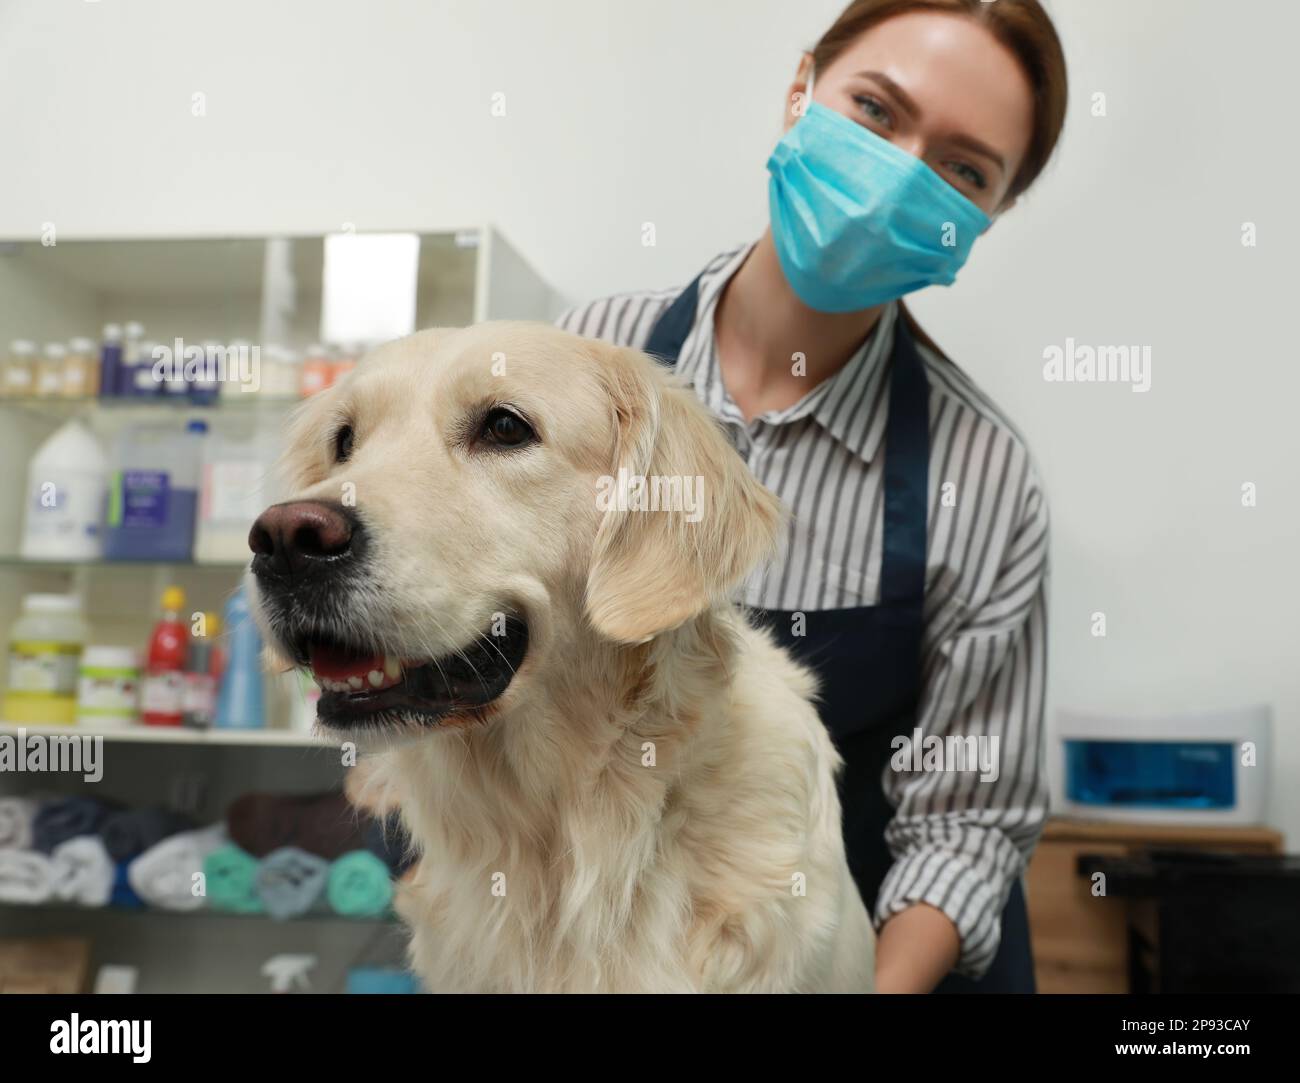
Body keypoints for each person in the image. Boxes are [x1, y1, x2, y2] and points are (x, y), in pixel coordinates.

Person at [558, 0, 1066, 993]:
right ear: (801, 92)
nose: (893, 180)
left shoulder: (984, 474)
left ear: (985, 218)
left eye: (963, 170)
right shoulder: (592, 365)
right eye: (875, 111)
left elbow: (963, 824)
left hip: (865, 953)